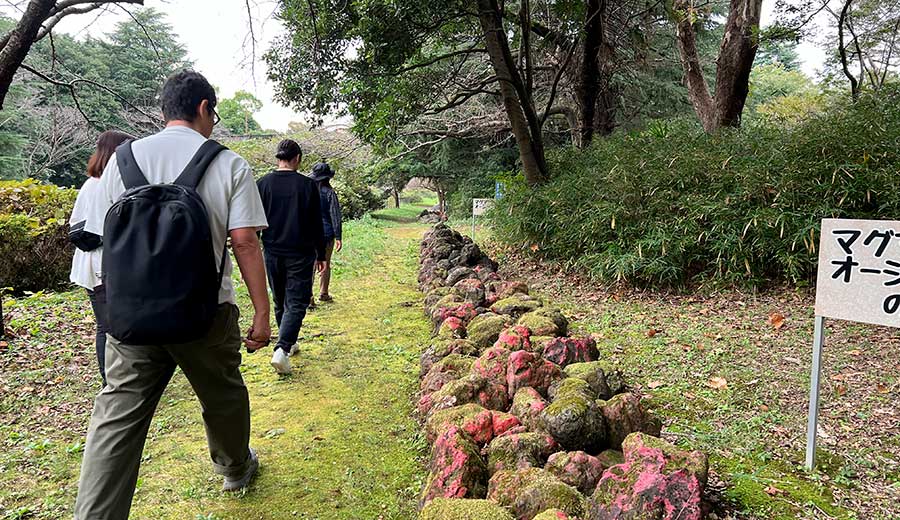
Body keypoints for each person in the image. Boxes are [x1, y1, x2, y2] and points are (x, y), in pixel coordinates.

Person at [74, 70, 271, 519]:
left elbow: (103, 241)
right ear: (204, 108)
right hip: (206, 313)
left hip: (131, 317)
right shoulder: (228, 163)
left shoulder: (120, 162)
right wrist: (262, 312)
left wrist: (115, 310)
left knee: (116, 415)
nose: (214, 123)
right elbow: (244, 242)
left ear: (164, 110)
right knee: (222, 395)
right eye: (214, 114)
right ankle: (235, 468)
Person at [256, 140, 327, 375]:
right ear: (297, 158)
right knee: (296, 302)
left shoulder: (262, 184)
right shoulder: (307, 185)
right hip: (300, 253)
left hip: (272, 252)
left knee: (280, 299)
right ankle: (283, 348)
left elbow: (254, 221)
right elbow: (316, 222)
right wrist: (320, 253)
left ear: (279, 158)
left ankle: (289, 341)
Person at [68, 130, 132, 387]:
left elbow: (75, 224)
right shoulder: (107, 184)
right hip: (102, 264)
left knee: (104, 325)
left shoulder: (89, 183)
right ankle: (113, 380)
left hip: (88, 264)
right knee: (110, 326)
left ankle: (112, 378)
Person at [311, 160, 343, 304]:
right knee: (325, 263)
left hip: (309, 234)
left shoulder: (308, 192)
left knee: (310, 264)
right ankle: (323, 293)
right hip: (326, 234)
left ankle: (308, 297)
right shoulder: (330, 193)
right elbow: (334, 215)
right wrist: (338, 236)